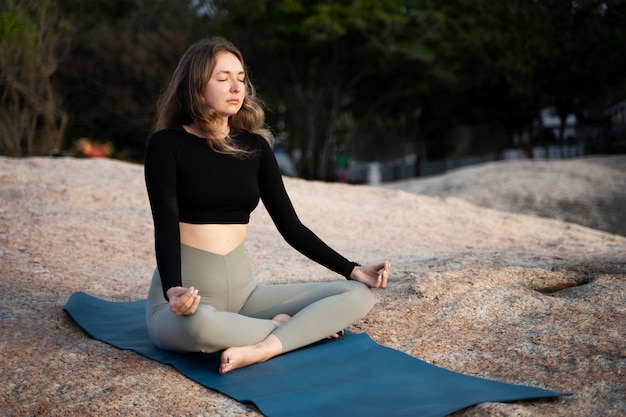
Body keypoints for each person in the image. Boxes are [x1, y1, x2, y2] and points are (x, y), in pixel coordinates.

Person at [144, 37, 390, 375]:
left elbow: (292, 227)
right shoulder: (167, 145)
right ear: (197, 87)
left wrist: (352, 269)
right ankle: (294, 331)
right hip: (187, 301)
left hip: (245, 297)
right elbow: (166, 224)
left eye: (241, 77)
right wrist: (173, 288)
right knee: (201, 328)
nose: (236, 86)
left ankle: (263, 348)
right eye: (223, 78)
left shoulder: (255, 147)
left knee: (358, 295)